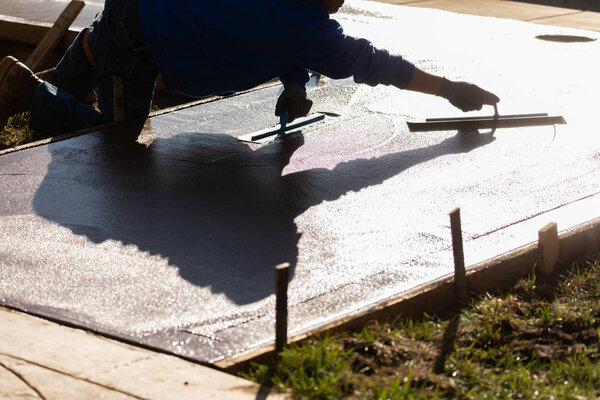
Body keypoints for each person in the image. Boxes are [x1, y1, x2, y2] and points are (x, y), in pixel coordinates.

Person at [0, 0, 499, 137]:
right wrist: (447, 88)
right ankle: (29, 92)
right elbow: (370, 63)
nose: (343, 3)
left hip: (134, 17)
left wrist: (295, 81)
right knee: (117, 144)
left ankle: (84, 60)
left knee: (105, 46)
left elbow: (265, 27)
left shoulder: (295, 17)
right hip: (137, 39)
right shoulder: (306, 27)